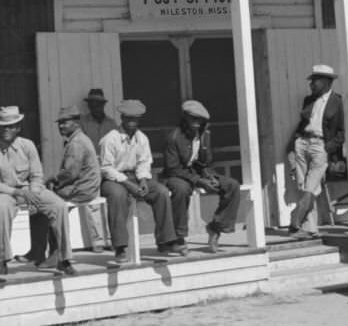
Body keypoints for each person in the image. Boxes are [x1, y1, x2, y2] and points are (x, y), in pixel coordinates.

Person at [0, 106, 76, 276]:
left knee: (58, 205)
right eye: (3, 126)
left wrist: (33, 194)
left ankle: (64, 259)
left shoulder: (27, 145)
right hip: (7, 193)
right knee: (1, 209)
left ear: (18, 128)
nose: (6, 130)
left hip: (31, 190)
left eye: (10, 126)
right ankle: (1, 260)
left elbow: (37, 175)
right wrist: (20, 193)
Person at [99, 99, 182, 263]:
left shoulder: (142, 138)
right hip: (113, 179)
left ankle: (166, 240)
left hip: (135, 177)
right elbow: (106, 168)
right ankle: (120, 247)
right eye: (128, 118)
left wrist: (143, 180)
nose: (131, 122)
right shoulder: (110, 138)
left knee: (161, 191)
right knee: (117, 196)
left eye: (135, 119)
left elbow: (144, 162)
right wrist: (128, 183)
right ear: (122, 118)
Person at [17, 105, 102, 266]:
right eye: (59, 123)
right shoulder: (78, 139)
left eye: (65, 122)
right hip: (83, 186)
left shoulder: (76, 143)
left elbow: (71, 173)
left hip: (82, 188)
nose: (61, 126)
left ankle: (45, 252)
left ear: (76, 123)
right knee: (44, 200)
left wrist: (52, 179)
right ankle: (45, 251)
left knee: (42, 203)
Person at [162, 100, 242, 253]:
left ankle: (216, 227)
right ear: (185, 118)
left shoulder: (204, 135)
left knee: (232, 185)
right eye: (193, 119)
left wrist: (208, 175)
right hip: (176, 174)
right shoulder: (173, 137)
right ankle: (178, 237)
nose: (196, 123)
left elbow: (205, 163)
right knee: (181, 189)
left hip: (197, 173)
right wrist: (199, 181)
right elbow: (172, 168)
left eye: (200, 120)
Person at [286, 64, 345, 238]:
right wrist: (295, 142)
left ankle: (296, 220)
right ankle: (309, 228)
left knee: (310, 186)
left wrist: (329, 148)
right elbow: (302, 123)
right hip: (303, 142)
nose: (311, 84)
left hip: (321, 145)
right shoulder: (308, 100)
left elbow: (342, 132)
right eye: (311, 80)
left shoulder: (338, 102)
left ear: (327, 82)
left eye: (315, 80)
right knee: (303, 185)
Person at [78, 87, 118, 252]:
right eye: (93, 104)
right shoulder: (82, 123)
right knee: (93, 203)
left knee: (113, 200)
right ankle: (98, 241)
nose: (96, 106)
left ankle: (113, 239)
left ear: (103, 104)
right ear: (89, 105)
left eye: (99, 103)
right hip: (90, 167)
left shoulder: (112, 124)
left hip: (109, 166)